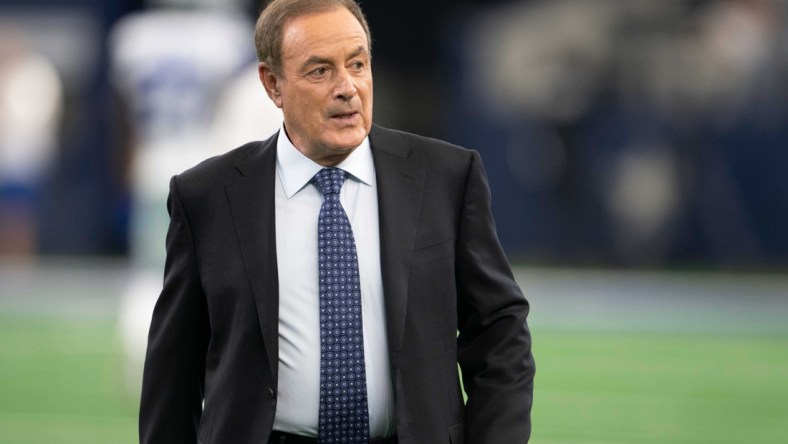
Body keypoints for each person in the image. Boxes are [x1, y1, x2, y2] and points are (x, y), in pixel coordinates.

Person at [138, 0, 535, 443]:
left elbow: (498, 329)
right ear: (273, 85)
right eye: (320, 70)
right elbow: (173, 373)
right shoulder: (207, 197)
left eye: (358, 64)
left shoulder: (445, 177)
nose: (347, 87)